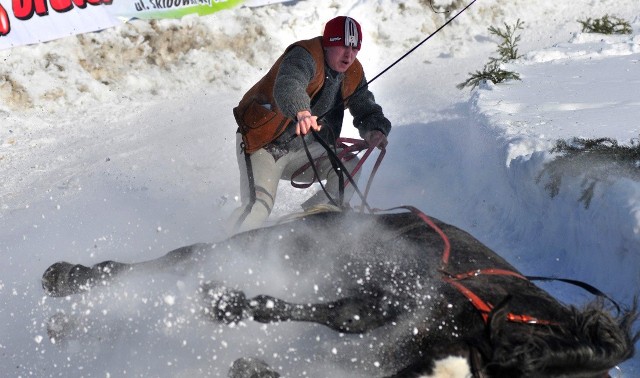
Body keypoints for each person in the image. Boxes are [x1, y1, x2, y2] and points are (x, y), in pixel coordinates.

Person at [228, 16, 391, 233]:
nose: (348, 54)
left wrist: (375, 130)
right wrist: (301, 110)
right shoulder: (304, 55)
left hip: (305, 151)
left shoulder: (353, 72)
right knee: (258, 207)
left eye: (354, 48)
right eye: (342, 45)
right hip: (265, 144)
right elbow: (289, 84)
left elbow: (364, 105)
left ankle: (315, 223)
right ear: (328, 43)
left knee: (349, 166)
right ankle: (222, 252)